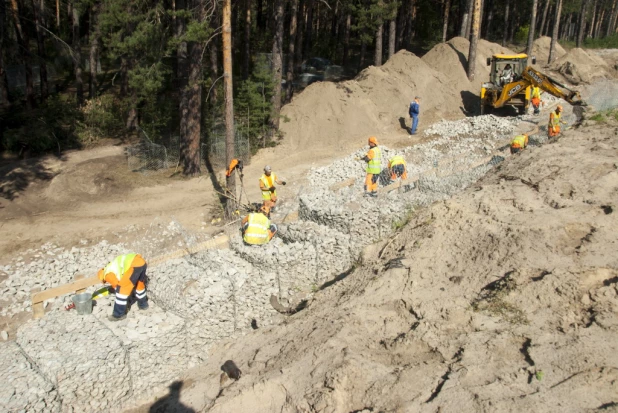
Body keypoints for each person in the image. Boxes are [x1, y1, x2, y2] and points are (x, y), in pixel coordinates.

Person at [97, 253, 149, 321]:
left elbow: (117, 286)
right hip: (141, 262)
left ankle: (118, 314)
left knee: (121, 291)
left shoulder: (107, 275)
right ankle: (143, 305)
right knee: (139, 286)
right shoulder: (110, 266)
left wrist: (121, 294)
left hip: (134, 265)